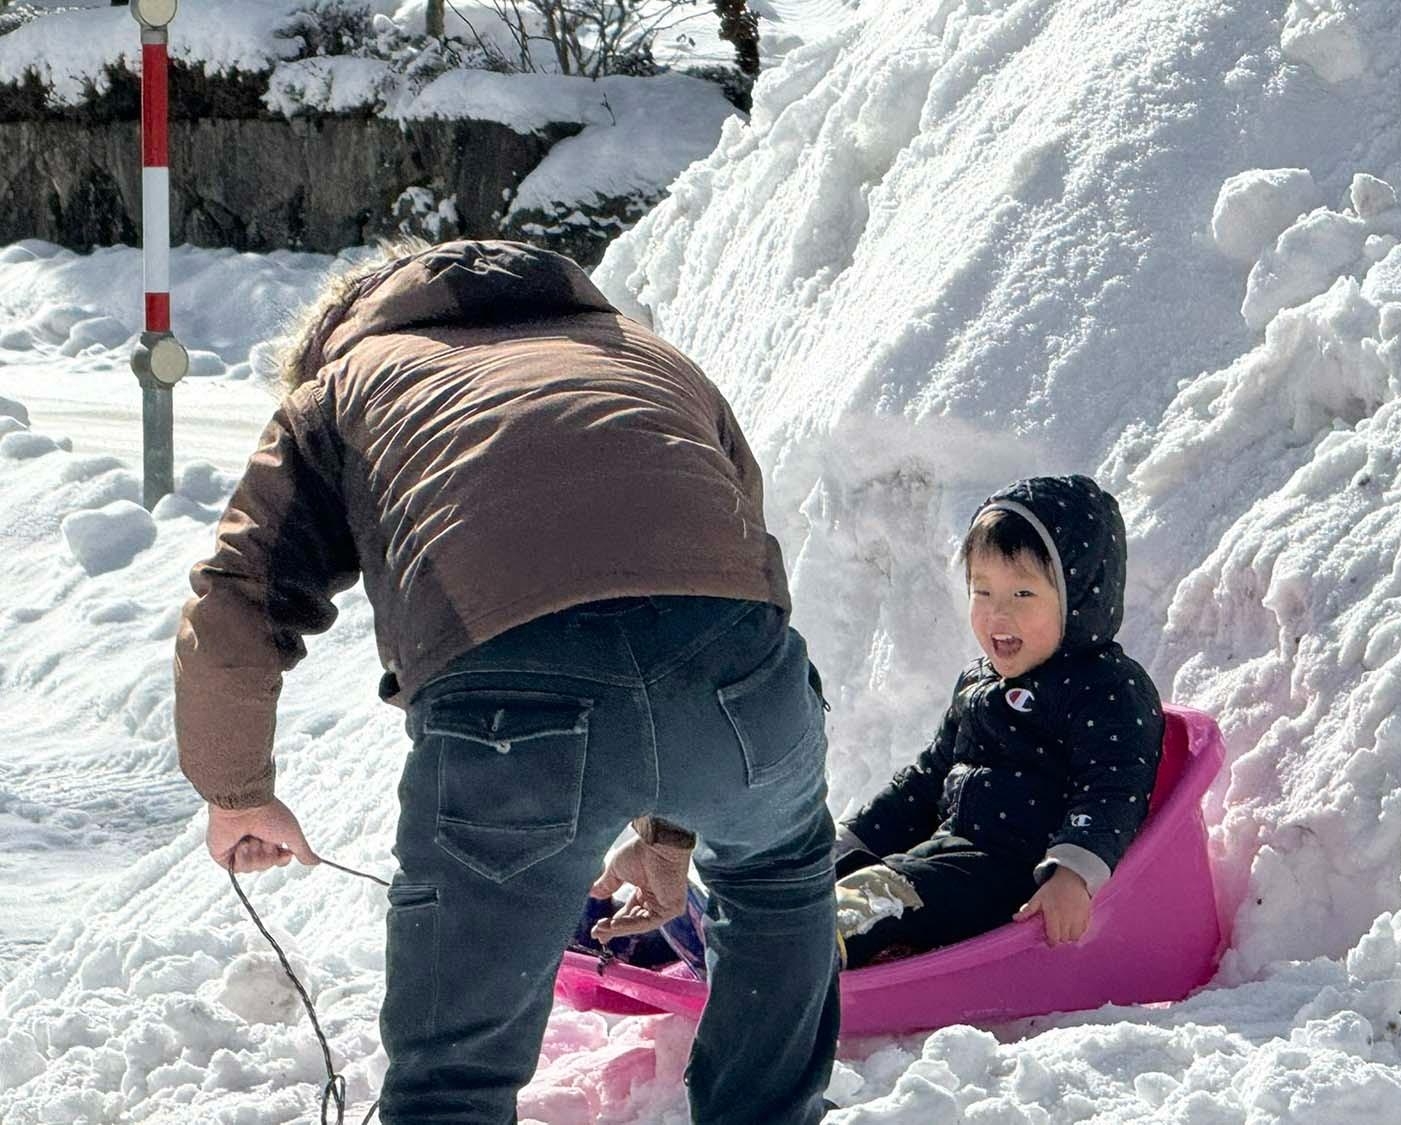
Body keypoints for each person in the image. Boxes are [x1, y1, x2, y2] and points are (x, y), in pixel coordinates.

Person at [174, 239, 838, 1125]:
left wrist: (237, 790)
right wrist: (677, 820)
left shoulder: (338, 388)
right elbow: (737, 569)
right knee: (777, 876)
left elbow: (240, 599)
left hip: (511, 707)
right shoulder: (644, 352)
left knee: (456, 1071)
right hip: (743, 684)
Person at [830, 475, 1165, 967]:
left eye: (1023, 595)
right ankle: (739, 926)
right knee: (841, 869)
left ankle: (797, 948)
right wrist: (852, 837)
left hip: (1017, 878)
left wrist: (1071, 871)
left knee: (887, 892)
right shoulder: (978, 683)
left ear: (1080, 597)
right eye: (982, 591)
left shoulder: (1106, 689)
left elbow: (1114, 790)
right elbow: (927, 780)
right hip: (950, 858)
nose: (997, 615)